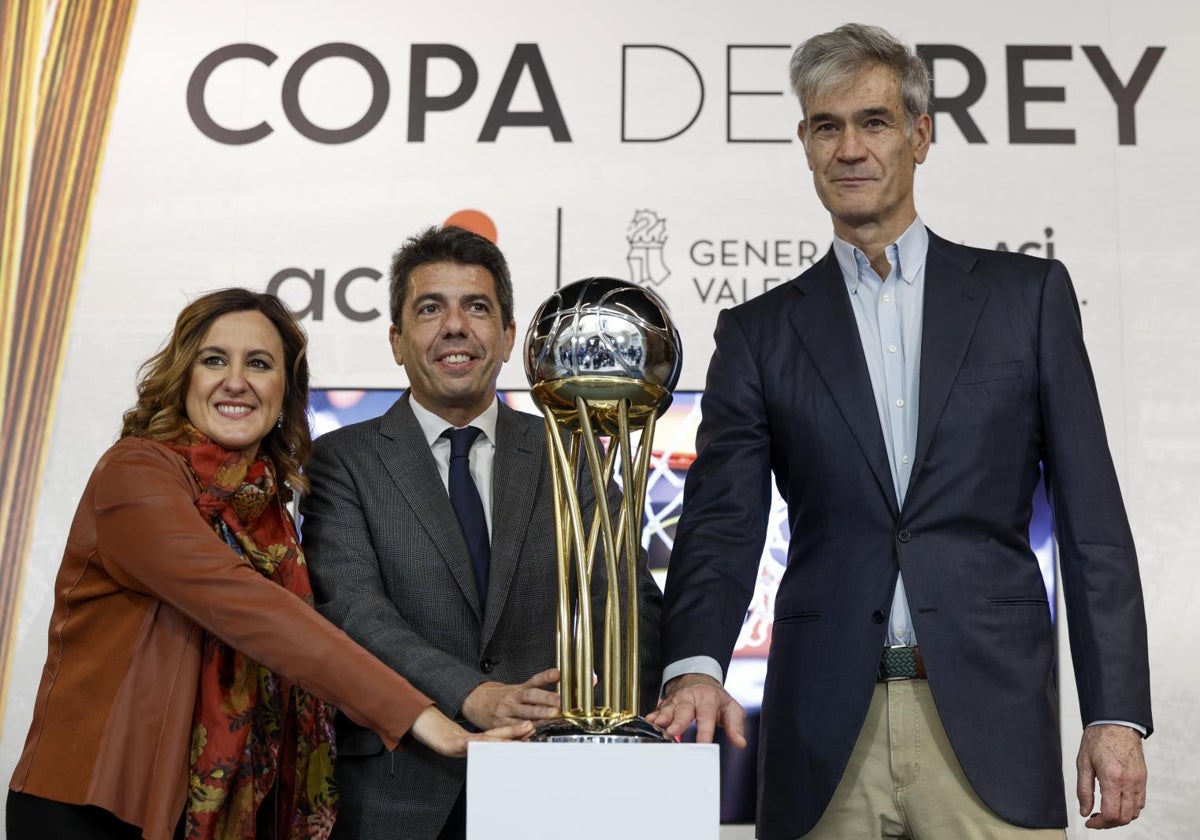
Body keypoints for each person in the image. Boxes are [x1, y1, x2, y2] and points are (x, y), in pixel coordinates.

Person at [648, 23, 1152, 840]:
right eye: (826, 126)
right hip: (823, 730)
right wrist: (698, 663)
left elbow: (1094, 522)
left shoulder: (1027, 299)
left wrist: (1116, 713)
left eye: (873, 122)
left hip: (991, 720)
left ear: (920, 136)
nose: (850, 147)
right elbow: (719, 523)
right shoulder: (758, 333)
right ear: (806, 144)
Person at [6, 289, 528, 840]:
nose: (236, 381)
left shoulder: (268, 504)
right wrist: (422, 718)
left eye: (259, 363)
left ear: (285, 392)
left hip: (226, 812)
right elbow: (250, 609)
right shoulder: (134, 474)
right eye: (214, 361)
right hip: (97, 810)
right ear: (183, 376)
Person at [299, 225, 663, 840]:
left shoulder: (571, 455)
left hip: (557, 788)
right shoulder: (342, 461)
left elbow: (631, 606)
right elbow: (355, 612)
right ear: (396, 340)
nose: (455, 326)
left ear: (509, 336)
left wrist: (621, 724)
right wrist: (474, 694)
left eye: (477, 307)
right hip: (397, 794)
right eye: (430, 308)